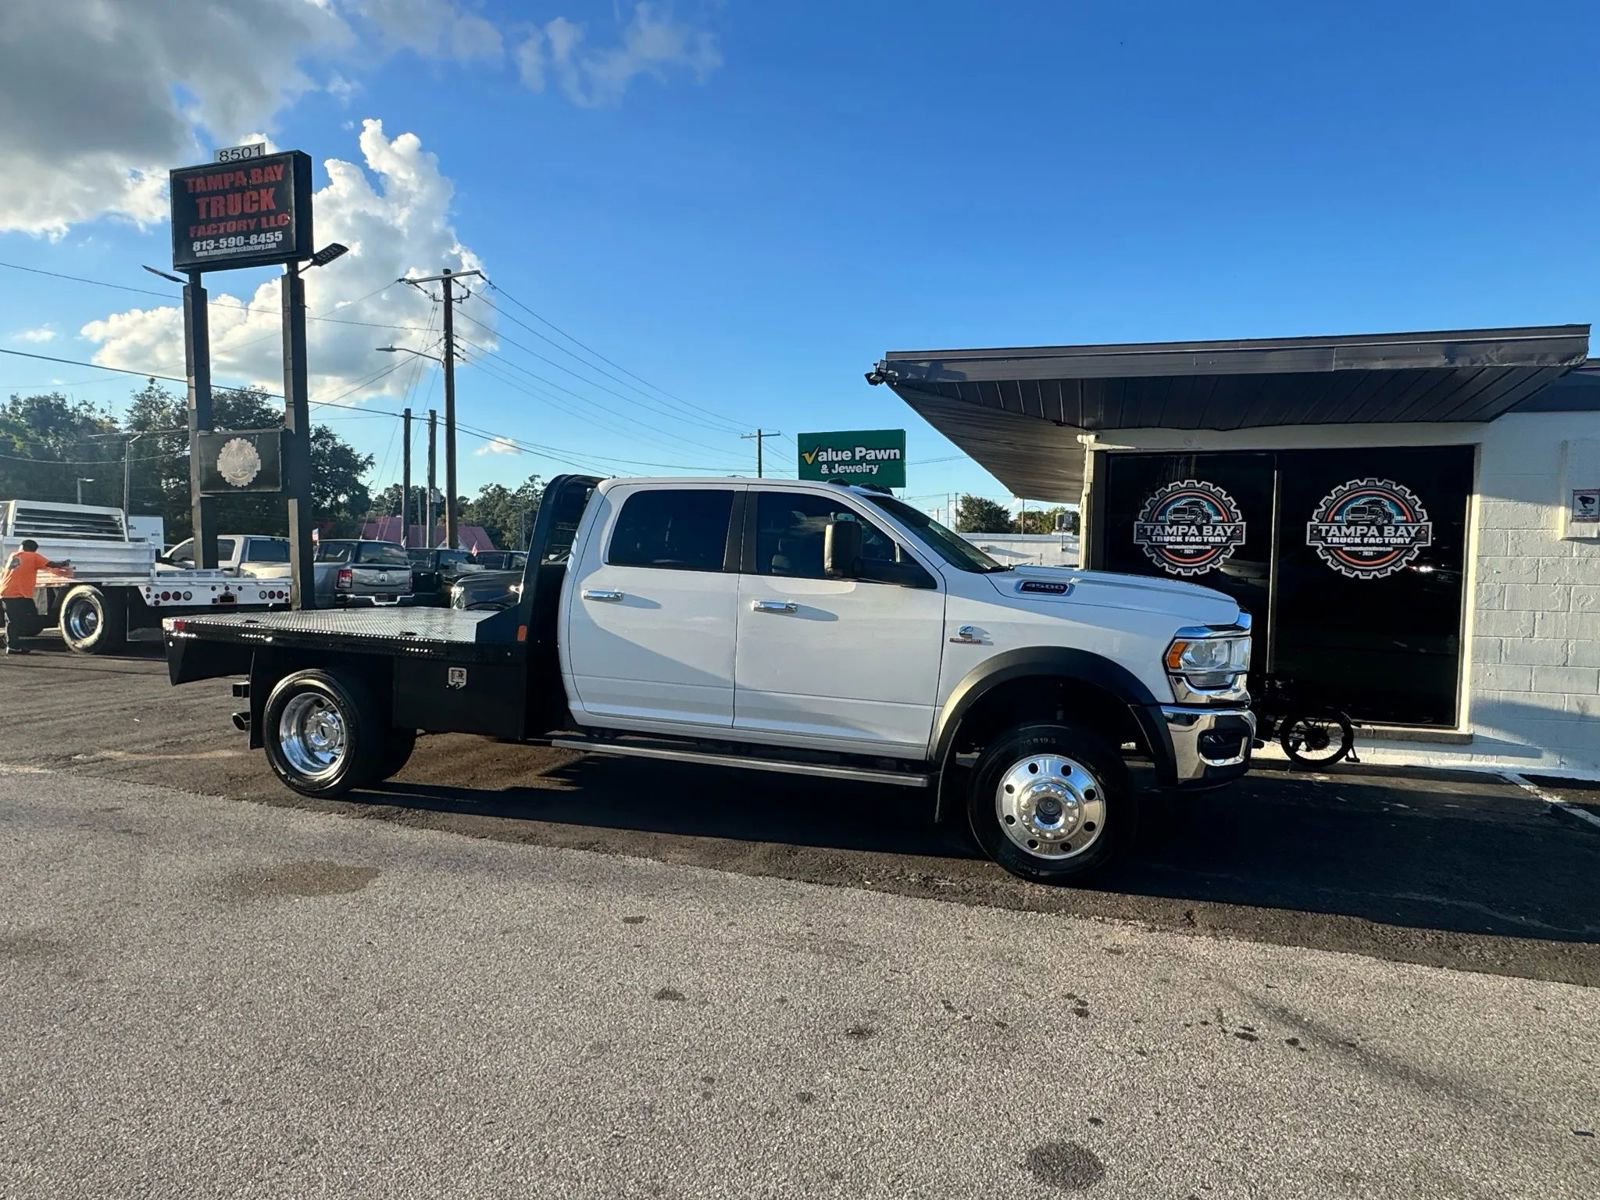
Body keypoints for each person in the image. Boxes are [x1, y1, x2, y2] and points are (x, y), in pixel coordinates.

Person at [1, 539, 70, 655]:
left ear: (22, 547)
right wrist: (63, 564)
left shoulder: (14, 555)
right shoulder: (33, 556)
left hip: (6, 591)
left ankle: (12, 643)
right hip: (18, 594)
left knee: (13, 619)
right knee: (26, 617)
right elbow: (51, 565)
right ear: (34, 549)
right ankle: (12, 645)